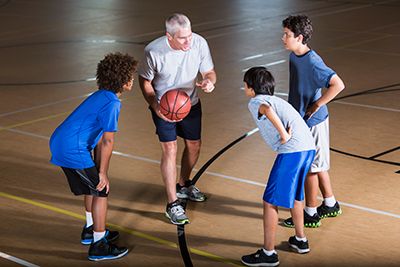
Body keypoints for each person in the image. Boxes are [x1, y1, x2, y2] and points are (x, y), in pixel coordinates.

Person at [49, 52, 138, 261]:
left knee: (94, 185)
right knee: (101, 190)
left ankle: (91, 230)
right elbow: (107, 141)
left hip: (63, 142)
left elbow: (98, 140)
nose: (132, 79)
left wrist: (99, 170)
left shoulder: (101, 95)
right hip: (72, 148)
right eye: (131, 76)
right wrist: (103, 174)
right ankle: (98, 245)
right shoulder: (112, 103)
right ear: (123, 80)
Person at [138, 13, 217, 225]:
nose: (188, 41)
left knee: (194, 146)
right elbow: (145, 81)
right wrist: (154, 103)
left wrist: (209, 81)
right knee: (170, 149)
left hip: (189, 103)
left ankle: (183, 184)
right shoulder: (154, 51)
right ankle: (172, 203)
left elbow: (209, 71)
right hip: (165, 106)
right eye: (182, 38)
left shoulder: (199, 43)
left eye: (189, 35)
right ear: (169, 36)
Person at [241, 67, 316, 266]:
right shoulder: (279, 100)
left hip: (292, 150)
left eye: (245, 84)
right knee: (297, 196)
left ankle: (268, 253)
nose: (244, 88)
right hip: (308, 148)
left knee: (269, 201)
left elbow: (266, 110)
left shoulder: (256, 101)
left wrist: (283, 135)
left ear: (251, 87)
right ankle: (300, 240)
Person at [281, 15, 345, 228]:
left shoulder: (312, 61)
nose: (283, 38)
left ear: (299, 38)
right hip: (302, 120)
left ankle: (310, 213)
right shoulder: (294, 57)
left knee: (310, 168)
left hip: (314, 122)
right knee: (317, 166)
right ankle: (330, 203)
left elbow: (338, 85)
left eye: (287, 35)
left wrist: (317, 104)